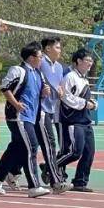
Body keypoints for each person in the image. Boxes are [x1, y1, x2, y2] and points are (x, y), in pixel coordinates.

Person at [0, 41, 50, 198]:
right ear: (31, 58)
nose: (42, 59)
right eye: (40, 56)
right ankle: (34, 186)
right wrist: (16, 104)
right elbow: (4, 87)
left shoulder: (39, 74)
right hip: (18, 117)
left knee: (17, 148)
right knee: (32, 146)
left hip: (31, 117)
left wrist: (44, 93)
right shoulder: (18, 70)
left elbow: (36, 94)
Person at [55, 49, 98, 193]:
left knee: (89, 152)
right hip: (73, 120)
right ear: (78, 61)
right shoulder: (70, 77)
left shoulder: (84, 79)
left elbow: (85, 98)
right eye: (87, 60)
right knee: (75, 152)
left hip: (85, 121)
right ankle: (51, 166)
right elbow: (66, 97)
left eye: (91, 61)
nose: (90, 63)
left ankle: (80, 181)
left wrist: (93, 103)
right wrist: (85, 104)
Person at [38, 37, 68, 188]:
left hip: (51, 109)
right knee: (50, 143)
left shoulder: (59, 67)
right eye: (57, 47)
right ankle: (55, 180)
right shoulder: (40, 62)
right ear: (48, 48)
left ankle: (6, 171)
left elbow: (59, 84)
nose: (59, 50)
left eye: (60, 47)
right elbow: (45, 81)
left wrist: (61, 90)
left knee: (29, 144)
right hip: (40, 109)